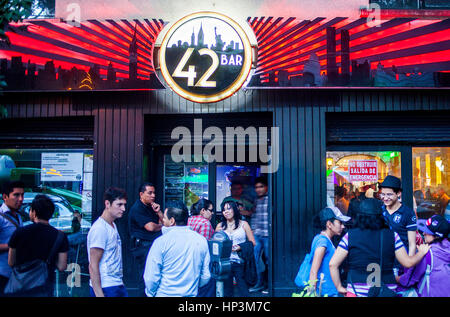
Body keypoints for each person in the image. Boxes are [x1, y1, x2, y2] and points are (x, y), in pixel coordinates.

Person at [329, 198, 430, 297]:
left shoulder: (350, 236)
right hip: (385, 290)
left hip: (356, 290)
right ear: (381, 216)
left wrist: (338, 287)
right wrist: (421, 252)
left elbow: (333, 264)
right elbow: (408, 263)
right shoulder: (392, 236)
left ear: (359, 216)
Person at [143, 200, 210, 297]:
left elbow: (151, 278)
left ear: (172, 221)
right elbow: (206, 276)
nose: (163, 221)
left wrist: (151, 293)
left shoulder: (161, 242)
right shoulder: (201, 240)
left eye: (164, 218)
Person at [8, 194, 69, 296]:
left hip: (20, 288)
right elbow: (62, 266)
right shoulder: (60, 236)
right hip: (44, 289)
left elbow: (11, 262)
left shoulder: (19, 233)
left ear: (34, 213)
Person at [88, 187, 128, 297]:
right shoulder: (100, 228)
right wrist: (99, 294)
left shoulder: (113, 225)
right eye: (119, 205)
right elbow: (93, 264)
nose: (123, 208)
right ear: (107, 204)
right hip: (106, 286)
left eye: (124, 205)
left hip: (116, 283)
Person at [398, 215, 450, 297]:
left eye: (428, 232)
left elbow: (407, 281)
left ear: (436, 236)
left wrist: (394, 278)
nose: (424, 233)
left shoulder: (427, 254)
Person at [128, 182, 163, 296]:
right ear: (141, 194)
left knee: (153, 274)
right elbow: (151, 227)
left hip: (151, 244)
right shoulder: (137, 208)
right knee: (145, 276)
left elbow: (165, 223)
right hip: (142, 246)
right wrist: (161, 226)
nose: (153, 195)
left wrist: (159, 212)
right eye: (150, 193)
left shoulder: (152, 207)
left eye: (154, 193)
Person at [215, 200, 256, 297]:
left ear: (235, 210)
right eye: (224, 210)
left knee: (243, 289)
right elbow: (215, 245)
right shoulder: (220, 226)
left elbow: (252, 242)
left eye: (229, 209)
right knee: (227, 291)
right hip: (224, 263)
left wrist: (240, 247)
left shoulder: (244, 224)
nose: (226, 212)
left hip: (239, 261)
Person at [307, 206, 349, 297]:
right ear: (329, 224)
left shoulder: (323, 239)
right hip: (324, 292)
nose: (343, 226)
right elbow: (313, 271)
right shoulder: (323, 242)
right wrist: (311, 294)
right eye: (340, 222)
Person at [380, 175, 417, 256]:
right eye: (383, 194)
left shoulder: (408, 213)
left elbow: (412, 244)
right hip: (384, 259)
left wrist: (409, 266)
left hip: (402, 260)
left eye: (389, 194)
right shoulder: (379, 210)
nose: (385, 198)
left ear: (398, 193)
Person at [0, 181, 24, 296]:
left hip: (16, 275)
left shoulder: (18, 216)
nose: (20, 199)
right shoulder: (1, 217)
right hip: (2, 274)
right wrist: (11, 246)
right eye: (16, 195)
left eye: (22, 195)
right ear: (5, 197)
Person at [249, 176, 270, 294]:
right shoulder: (256, 200)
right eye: (256, 187)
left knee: (268, 260)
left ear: (266, 187)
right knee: (256, 259)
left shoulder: (270, 198)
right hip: (257, 234)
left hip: (267, 234)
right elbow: (254, 215)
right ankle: (259, 283)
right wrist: (252, 229)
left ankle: (268, 284)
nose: (258, 189)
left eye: (261, 186)